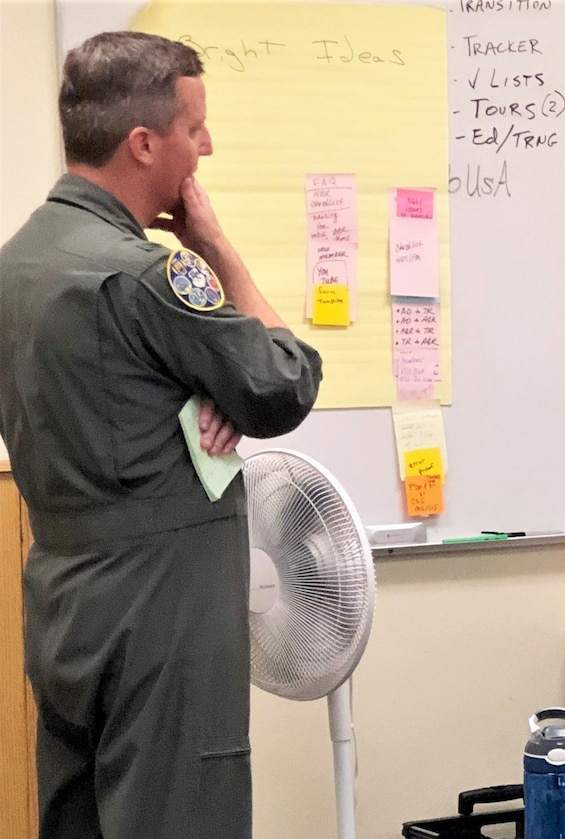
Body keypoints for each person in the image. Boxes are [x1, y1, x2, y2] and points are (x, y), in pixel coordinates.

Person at [0, 32, 322, 838]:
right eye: (194, 128)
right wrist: (215, 247)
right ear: (145, 143)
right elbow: (285, 380)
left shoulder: (16, 266)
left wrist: (184, 390)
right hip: (162, 618)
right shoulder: (148, 275)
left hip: (63, 603)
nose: (205, 147)